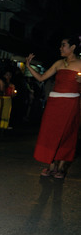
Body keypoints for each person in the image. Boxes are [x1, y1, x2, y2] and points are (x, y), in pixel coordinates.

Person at [26, 35, 81, 179]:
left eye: (63, 45)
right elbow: (41, 78)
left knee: (67, 134)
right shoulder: (58, 63)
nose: (60, 48)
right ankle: (51, 165)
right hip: (54, 103)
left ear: (73, 47)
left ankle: (61, 168)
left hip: (70, 104)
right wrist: (28, 67)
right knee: (49, 133)